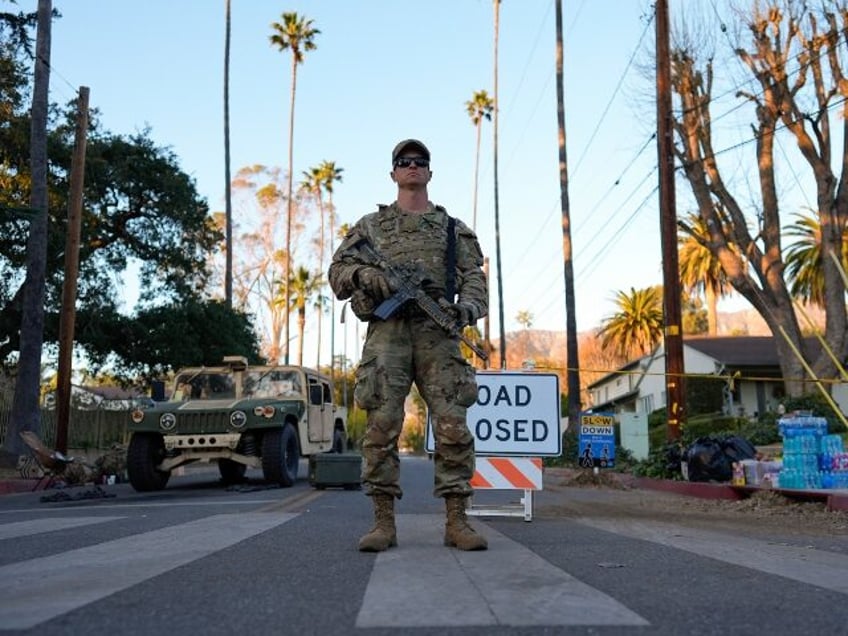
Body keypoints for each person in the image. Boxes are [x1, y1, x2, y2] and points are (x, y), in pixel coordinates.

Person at [328, 139, 488, 552]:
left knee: (453, 426)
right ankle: (383, 523)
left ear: (430, 173)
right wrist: (366, 276)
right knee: (381, 426)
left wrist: (467, 308)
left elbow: (474, 276)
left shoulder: (454, 229)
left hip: (438, 335)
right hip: (389, 332)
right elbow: (338, 273)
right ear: (393, 174)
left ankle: (457, 522)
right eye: (404, 162)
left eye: (420, 162)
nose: (412, 167)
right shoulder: (370, 228)